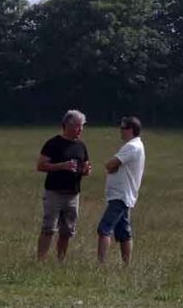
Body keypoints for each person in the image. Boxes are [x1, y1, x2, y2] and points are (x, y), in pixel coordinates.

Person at [35, 110, 89, 260]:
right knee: (49, 228)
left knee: (67, 231)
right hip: (54, 193)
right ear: (67, 125)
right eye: (78, 126)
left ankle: (61, 261)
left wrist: (85, 171)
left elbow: (84, 166)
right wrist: (61, 166)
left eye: (82, 126)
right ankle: (41, 260)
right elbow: (40, 166)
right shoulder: (53, 144)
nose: (80, 130)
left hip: (73, 194)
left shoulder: (81, 146)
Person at [97, 115, 146, 264]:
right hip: (124, 195)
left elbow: (110, 165)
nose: (120, 131)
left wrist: (112, 167)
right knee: (124, 232)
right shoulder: (136, 145)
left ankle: (101, 264)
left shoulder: (132, 146)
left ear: (131, 130)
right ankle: (127, 265)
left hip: (121, 195)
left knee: (103, 229)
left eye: (123, 128)